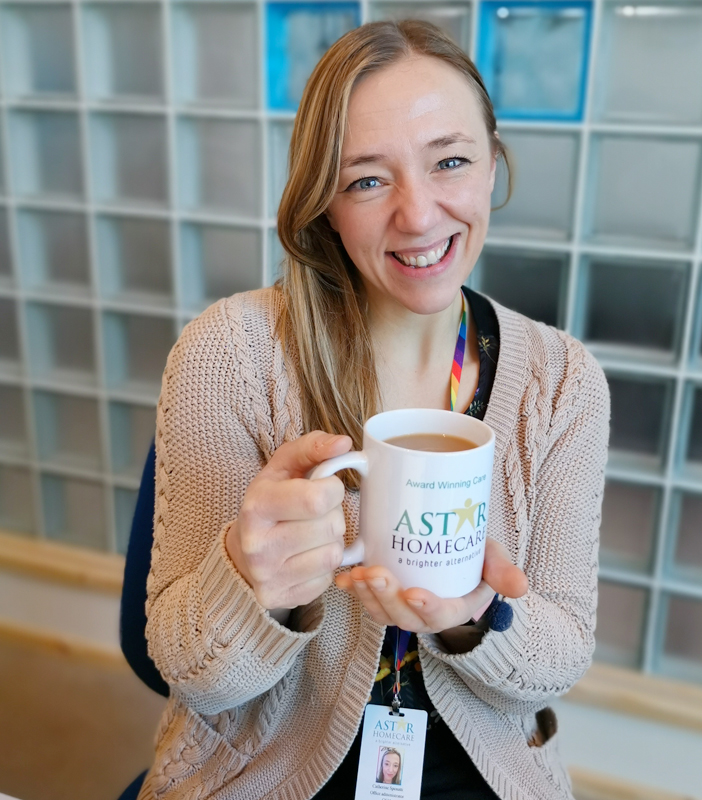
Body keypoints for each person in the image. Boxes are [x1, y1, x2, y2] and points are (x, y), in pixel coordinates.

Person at [138, 19, 609, 800]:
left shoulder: (561, 382)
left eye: (450, 162)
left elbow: (560, 658)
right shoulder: (230, 353)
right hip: (262, 765)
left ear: (491, 166)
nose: (419, 217)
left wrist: (475, 616)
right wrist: (250, 584)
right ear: (323, 201)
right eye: (367, 179)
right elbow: (193, 674)